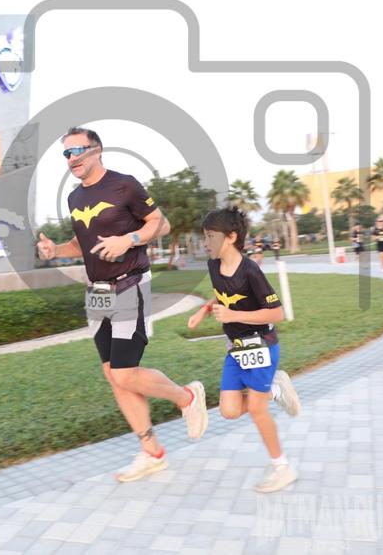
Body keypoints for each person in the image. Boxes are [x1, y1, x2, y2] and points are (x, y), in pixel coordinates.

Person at [37, 127, 208, 482]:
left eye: (77, 151)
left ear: (97, 150)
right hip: (96, 293)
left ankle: (187, 397)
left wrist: (128, 239)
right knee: (112, 373)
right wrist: (55, 250)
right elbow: (80, 244)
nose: (71, 159)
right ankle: (152, 452)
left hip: (130, 286)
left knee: (125, 372)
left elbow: (161, 224)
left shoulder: (124, 184)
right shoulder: (74, 198)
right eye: (66, 154)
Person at [188, 206, 301, 493]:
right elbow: (223, 296)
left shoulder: (250, 271)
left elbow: (276, 313)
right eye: (205, 236)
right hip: (236, 348)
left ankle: (282, 468)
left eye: (211, 236)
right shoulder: (213, 265)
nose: (206, 242)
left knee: (256, 409)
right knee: (228, 410)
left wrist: (233, 316)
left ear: (231, 237)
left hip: (262, 344)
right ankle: (276, 389)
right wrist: (204, 310)